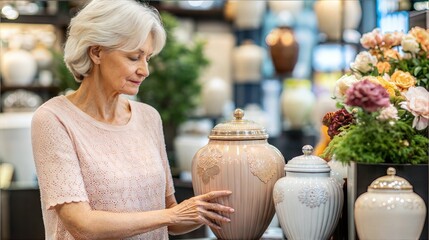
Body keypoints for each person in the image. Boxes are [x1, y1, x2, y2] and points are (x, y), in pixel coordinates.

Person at [31, 0, 234, 239]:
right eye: (134, 57)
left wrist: (209, 211)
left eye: (147, 58)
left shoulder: (149, 118)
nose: (145, 70)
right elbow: (81, 224)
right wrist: (173, 215)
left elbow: (170, 216)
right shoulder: (54, 119)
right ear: (96, 52)